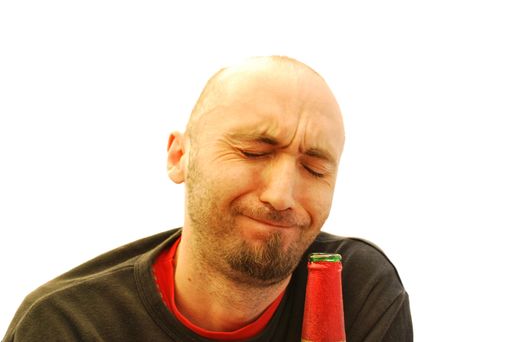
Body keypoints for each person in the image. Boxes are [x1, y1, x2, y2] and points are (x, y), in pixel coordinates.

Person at [3, 56, 413, 341]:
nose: (281, 195)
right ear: (180, 157)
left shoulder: (356, 287)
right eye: (254, 152)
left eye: (315, 169)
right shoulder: (67, 324)